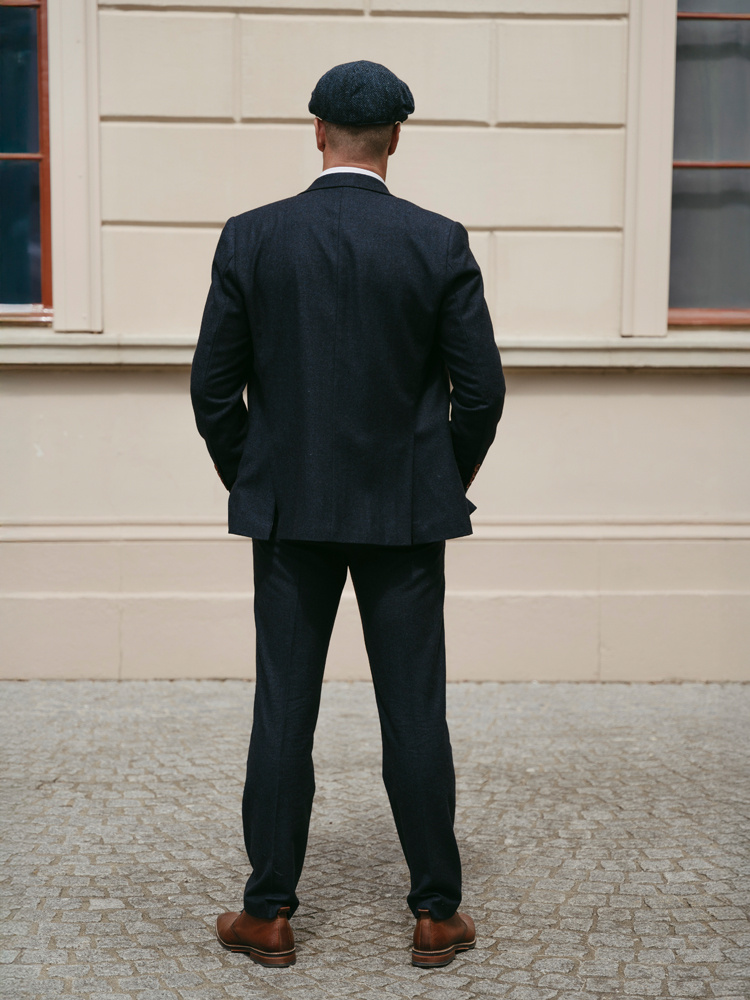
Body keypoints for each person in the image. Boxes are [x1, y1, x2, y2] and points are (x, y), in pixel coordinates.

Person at [190, 59, 505, 969]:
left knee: (284, 708)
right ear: (396, 138)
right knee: (415, 711)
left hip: (291, 514)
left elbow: (213, 391)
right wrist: (435, 478)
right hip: (405, 516)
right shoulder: (438, 241)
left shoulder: (252, 238)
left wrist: (257, 475)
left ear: (317, 131)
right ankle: (436, 914)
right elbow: (480, 394)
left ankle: (270, 913)